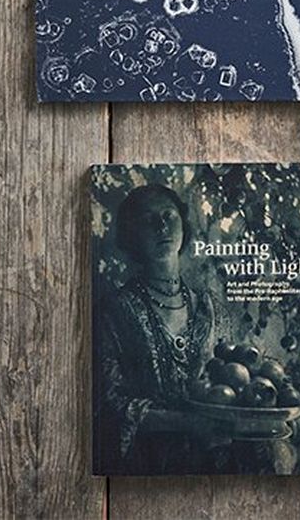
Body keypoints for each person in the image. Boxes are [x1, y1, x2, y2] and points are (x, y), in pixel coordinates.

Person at [93, 184, 226, 474]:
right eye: (148, 219)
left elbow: (224, 379)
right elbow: (111, 401)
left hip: (209, 461)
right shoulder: (116, 308)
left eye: (169, 215)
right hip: (145, 464)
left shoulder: (206, 306)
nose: (162, 225)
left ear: (182, 222)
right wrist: (185, 424)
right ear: (132, 235)